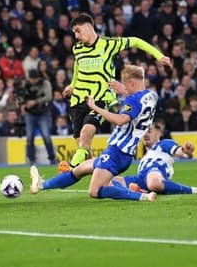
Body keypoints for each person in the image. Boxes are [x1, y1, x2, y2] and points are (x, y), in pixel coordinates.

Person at [60, 13, 172, 172]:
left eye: (78, 31)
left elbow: (135, 41)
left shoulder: (108, 44)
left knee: (86, 134)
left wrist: (159, 56)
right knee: (83, 146)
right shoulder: (77, 48)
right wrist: (72, 85)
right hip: (78, 100)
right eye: (74, 33)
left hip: (99, 98)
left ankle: (68, 169)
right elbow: (78, 66)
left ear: (88, 27)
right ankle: (100, 178)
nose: (76, 36)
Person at [30, 65, 158, 202]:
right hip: (124, 152)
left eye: (125, 84)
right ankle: (41, 185)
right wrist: (125, 92)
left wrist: (95, 107)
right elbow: (139, 105)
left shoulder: (133, 100)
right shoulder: (152, 96)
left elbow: (120, 120)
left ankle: (142, 196)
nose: (123, 86)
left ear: (132, 82)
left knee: (94, 191)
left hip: (118, 152)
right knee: (79, 169)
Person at [112, 123, 197, 195]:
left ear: (158, 133)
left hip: (156, 171)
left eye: (149, 131)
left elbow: (182, 152)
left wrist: (187, 151)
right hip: (141, 178)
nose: (145, 134)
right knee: (107, 180)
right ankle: (143, 191)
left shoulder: (164, 144)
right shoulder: (145, 156)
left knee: (153, 182)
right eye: (143, 132)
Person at [20, 69, 57, 165]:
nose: (33, 81)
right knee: (29, 137)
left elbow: (49, 97)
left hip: (43, 113)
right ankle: (31, 159)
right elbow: (21, 96)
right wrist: (23, 105)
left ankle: (52, 158)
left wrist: (35, 102)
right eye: (31, 79)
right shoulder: (26, 85)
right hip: (30, 113)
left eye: (34, 79)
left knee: (46, 136)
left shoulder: (45, 84)